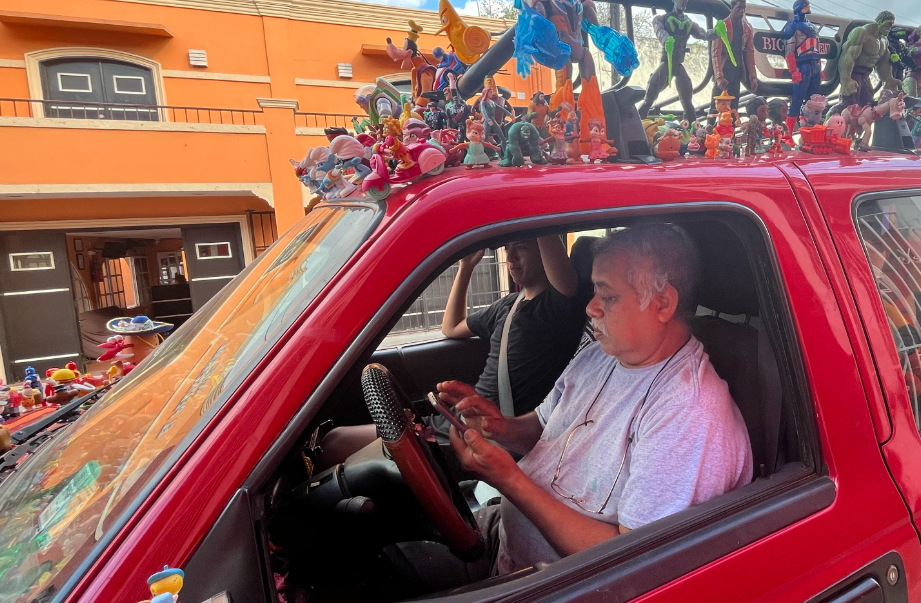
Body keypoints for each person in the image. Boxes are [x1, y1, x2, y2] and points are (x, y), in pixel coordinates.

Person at [435, 223, 752, 580]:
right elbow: (544, 430)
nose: (589, 308)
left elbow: (632, 565)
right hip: (505, 546)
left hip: (553, 597)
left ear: (662, 303)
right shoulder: (599, 356)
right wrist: (500, 427)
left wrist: (508, 479)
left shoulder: (688, 413)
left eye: (607, 296)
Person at [320, 236, 587, 464]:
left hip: (490, 435)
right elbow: (452, 327)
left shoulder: (559, 306)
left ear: (545, 252)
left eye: (522, 248)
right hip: (460, 422)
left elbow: (560, 269)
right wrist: (466, 267)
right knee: (334, 440)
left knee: (336, 445)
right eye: (508, 249)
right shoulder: (507, 305)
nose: (511, 257)